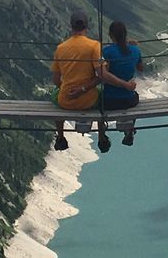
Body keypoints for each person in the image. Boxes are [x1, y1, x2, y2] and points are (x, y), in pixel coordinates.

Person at [51, 8, 135, 152]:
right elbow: (102, 76)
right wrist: (125, 84)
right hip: (88, 101)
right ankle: (102, 136)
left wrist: (67, 90)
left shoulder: (60, 48)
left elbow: (56, 79)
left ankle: (60, 136)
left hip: (66, 101)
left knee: (55, 97)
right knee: (101, 96)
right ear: (86, 27)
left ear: (71, 26)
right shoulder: (93, 46)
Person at [101, 20, 143, 145]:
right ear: (125, 34)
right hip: (129, 100)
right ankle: (129, 130)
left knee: (98, 98)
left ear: (111, 35)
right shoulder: (135, 50)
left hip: (109, 101)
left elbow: (104, 75)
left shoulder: (107, 52)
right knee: (135, 95)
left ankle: (102, 136)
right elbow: (140, 68)